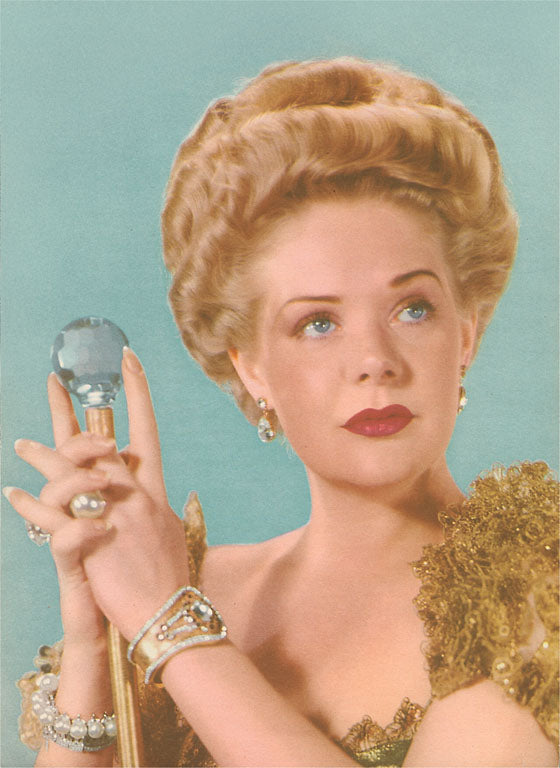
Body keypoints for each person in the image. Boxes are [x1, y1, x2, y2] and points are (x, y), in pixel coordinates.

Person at [8, 57, 558, 767]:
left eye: (413, 308)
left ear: (467, 333)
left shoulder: (537, 586)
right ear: (252, 367)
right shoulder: (193, 584)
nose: (375, 360)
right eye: (318, 323)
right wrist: (97, 641)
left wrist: (168, 626)